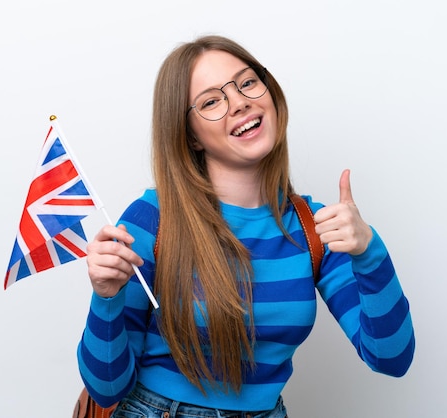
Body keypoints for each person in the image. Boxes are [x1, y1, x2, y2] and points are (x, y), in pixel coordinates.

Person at [77, 35, 415, 417]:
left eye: (247, 82)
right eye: (211, 101)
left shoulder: (313, 228)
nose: (239, 102)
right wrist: (105, 297)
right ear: (190, 135)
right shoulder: (153, 220)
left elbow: (391, 358)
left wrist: (370, 252)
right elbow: (106, 389)